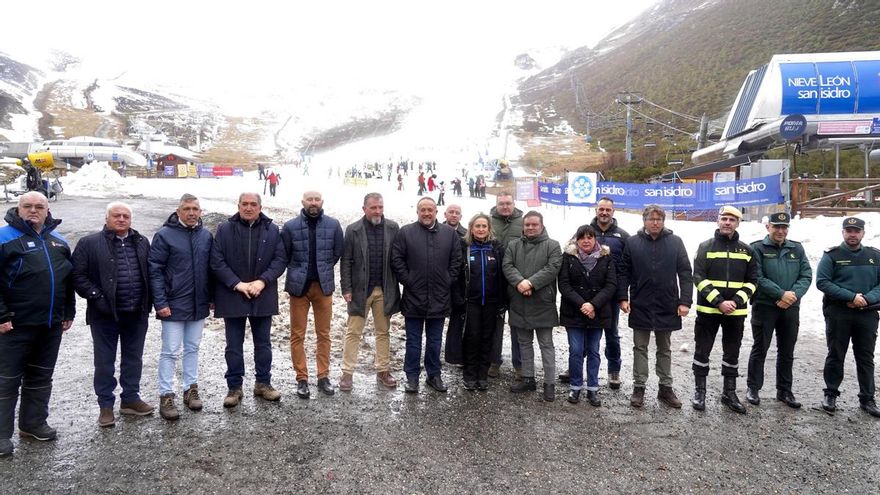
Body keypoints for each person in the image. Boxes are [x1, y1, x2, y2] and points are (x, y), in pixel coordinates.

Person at [0, 192, 74, 456]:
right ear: (18, 209)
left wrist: (68, 312)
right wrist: (1, 315)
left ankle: (32, 424)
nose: (33, 210)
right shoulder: (4, 238)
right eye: (27, 206)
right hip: (14, 325)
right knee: (6, 380)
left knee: (41, 376)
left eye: (39, 207)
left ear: (47, 210)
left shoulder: (58, 241)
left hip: (50, 324)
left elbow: (67, 280)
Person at [72, 202, 154, 428]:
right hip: (105, 314)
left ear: (131, 219)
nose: (121, 219)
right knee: (105, 362)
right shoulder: (89, 243)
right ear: (106, 218)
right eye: (116, 215)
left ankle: (130, 399)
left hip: (136, 313)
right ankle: (105, 406)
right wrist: (97, 296)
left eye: (125, 216)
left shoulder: (141, 242)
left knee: (133, 358)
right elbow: (78, 276)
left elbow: (150, 273)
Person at [211, 192, 287, 408]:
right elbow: (217, 261)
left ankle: (263, 383)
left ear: (260, 207)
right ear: (238, 206)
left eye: (253, 204)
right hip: (232, 293)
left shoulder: (272, 230)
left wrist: (262, 281)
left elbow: (280, 259)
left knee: (263, 344)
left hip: (261, 294)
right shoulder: (224, 229)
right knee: (233, 345)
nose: (248, 208)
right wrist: (237, 283)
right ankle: (234, 387)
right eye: (244, 204)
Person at [618, 205, 693, 408]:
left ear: (664, 221)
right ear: (644, 221)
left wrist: (685, 301)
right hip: (640, 303)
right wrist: (623, 297)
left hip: (667, 303)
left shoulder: (675, 242)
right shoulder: (633, 243)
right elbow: (624, 272)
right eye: (651, 219)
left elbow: (685, 272)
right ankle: (639, 387)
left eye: (659, 219)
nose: (655, 222)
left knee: (665, 348)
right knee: (640, 347)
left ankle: (665, 388)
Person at [150, 194, 213, 421]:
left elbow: (211, 269)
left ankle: (190, 389)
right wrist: (161, 302)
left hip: (198, 303)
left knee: (193, 348)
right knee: (170, 351)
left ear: (200, 211)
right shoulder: (165, 235)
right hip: (173, 304)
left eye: (195, 208)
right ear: (178, 211)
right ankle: (166, 395)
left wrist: (211, 297)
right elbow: (155, 270)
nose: (191, 212)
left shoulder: (206, 236)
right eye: (187, 208)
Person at [391, 197, 462, 394]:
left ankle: (434, 375)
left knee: (434, 340)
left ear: (436, 212)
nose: (426, 213)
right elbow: (397, 259)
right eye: (423, 210)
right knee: (413, 341)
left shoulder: (449, 234)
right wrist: (408, 280)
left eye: (430, 209)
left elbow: (456, 261)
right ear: (417, 212)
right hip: (414, 297)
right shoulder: (406, 232)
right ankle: (412, 377)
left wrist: (448, 280)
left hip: (440, 297)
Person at [691, 205, 757, 414]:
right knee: (702, 351)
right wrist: (719, 301)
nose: (727, 223)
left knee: (732, 353)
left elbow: (753, 280)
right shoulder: (705, 247)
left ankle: (729, 393)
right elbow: (698, 277)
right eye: (724, 219)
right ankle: (699, 392)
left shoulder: (747, 250)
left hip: (735, 313)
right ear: (718, 221)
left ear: (738, 223)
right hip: (708, 311)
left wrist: (736, 301)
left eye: (732, 219)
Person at [281, 190, 344, 399]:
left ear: (322, 202)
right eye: (310, 199)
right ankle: (301, 378)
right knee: (297, 334)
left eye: (317, 199)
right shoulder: (290, 227)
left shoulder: (333, 225)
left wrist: (323, 269)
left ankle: (323, 376)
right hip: (299, 288)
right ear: (303, 202)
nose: (313, 203)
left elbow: (336, 253)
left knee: (324, 334)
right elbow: (285, 254)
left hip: (323, 287)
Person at [746, 212, 812, 409]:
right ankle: (753, 388)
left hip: (791, 307)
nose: (781, 231)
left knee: (787, 350)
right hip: (765, 306)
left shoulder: (797, 248)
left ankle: (784, 390)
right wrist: (780, 294)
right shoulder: (757, 248)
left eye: (784, 227)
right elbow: (757, 276)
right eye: (777, 227)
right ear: (768, 228)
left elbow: (806, 275)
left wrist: (792, 296)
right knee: (760, 348)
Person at [816, 217, 880, 417]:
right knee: (836, 354)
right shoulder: (832, 255)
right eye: (849, 230)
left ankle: (867, 398)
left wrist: (866, 299)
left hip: (867, 314)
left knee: (865, 357)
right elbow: (823, 282)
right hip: (839, 312)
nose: (853, 234)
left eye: (856, 231)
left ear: (863, 233)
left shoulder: (874, 256)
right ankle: (831, 394)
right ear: (843, 232)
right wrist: (851, 297)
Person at [339, 193, 401, 391]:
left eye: (380, 207)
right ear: (364, 208)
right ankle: (347, 373)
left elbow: (398, 258)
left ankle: (383, 370)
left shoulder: (392, 228)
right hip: (359, 291)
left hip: (384, 289)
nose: (377, 211)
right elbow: (346, 261)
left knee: (383, 332)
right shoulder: (353, 230)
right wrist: (346, 288)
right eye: (373, 207)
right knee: (353, 332)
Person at [503, 211, 562, 401]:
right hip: (519, 300)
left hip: (542, 301)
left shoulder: (552, 245)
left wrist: (530, 283)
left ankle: (549, 383)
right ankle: (528, 378)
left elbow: (552, 268)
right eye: (527, 224)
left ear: (541, 226)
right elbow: (507, 266)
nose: (530, 228)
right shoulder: (513, 245)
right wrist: (519, 282)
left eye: (534, 224)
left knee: (546, 344)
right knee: (524, 343)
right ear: (523, 226)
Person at [558, 225, 617, 406]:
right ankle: (575, 387)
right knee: (576, 351)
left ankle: (592, 389)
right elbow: (564, 285)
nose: (586, 241)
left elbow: (611, 285)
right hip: (574, 312)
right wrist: (582, 304)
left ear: (595, 239)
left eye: (589, 237)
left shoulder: (606, 258)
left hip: (597, 314)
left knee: (593, 351)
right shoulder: (568, 258)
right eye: (582, 237)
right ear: (577, 240)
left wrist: (593, 304)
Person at [459, 213, 506, 391]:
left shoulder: (496, 248)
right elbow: (458, 276)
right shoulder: (466, 247)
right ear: (471, 228)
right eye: (477, 226)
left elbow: (502, 276)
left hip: (491, 302)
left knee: (487, 338)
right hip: (471, 302)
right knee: (472, 338)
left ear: (489, 229)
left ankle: (482, 375)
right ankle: (470, 375)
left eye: (484, 226)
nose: (480, 229)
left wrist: (502, 301)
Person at [489, 192, 524, 378]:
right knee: (495, 325)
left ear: (514, 203)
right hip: (494, 282)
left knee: (517, 325)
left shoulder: (524, 222)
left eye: (508, 203)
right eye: (501, 203)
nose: (505, 206)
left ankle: (519, 365)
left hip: (517, 282)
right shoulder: (488, 221)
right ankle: (494, 361)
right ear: (496, 204)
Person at [442, 204, 467, 365]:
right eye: (451, 212)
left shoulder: (465, 234)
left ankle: (455, 354)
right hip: (440, 281)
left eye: (457, 213)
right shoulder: (436, 229)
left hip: (458, 281)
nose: (453, 215)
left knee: (457, 319)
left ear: (461, 216)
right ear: (445, 214)